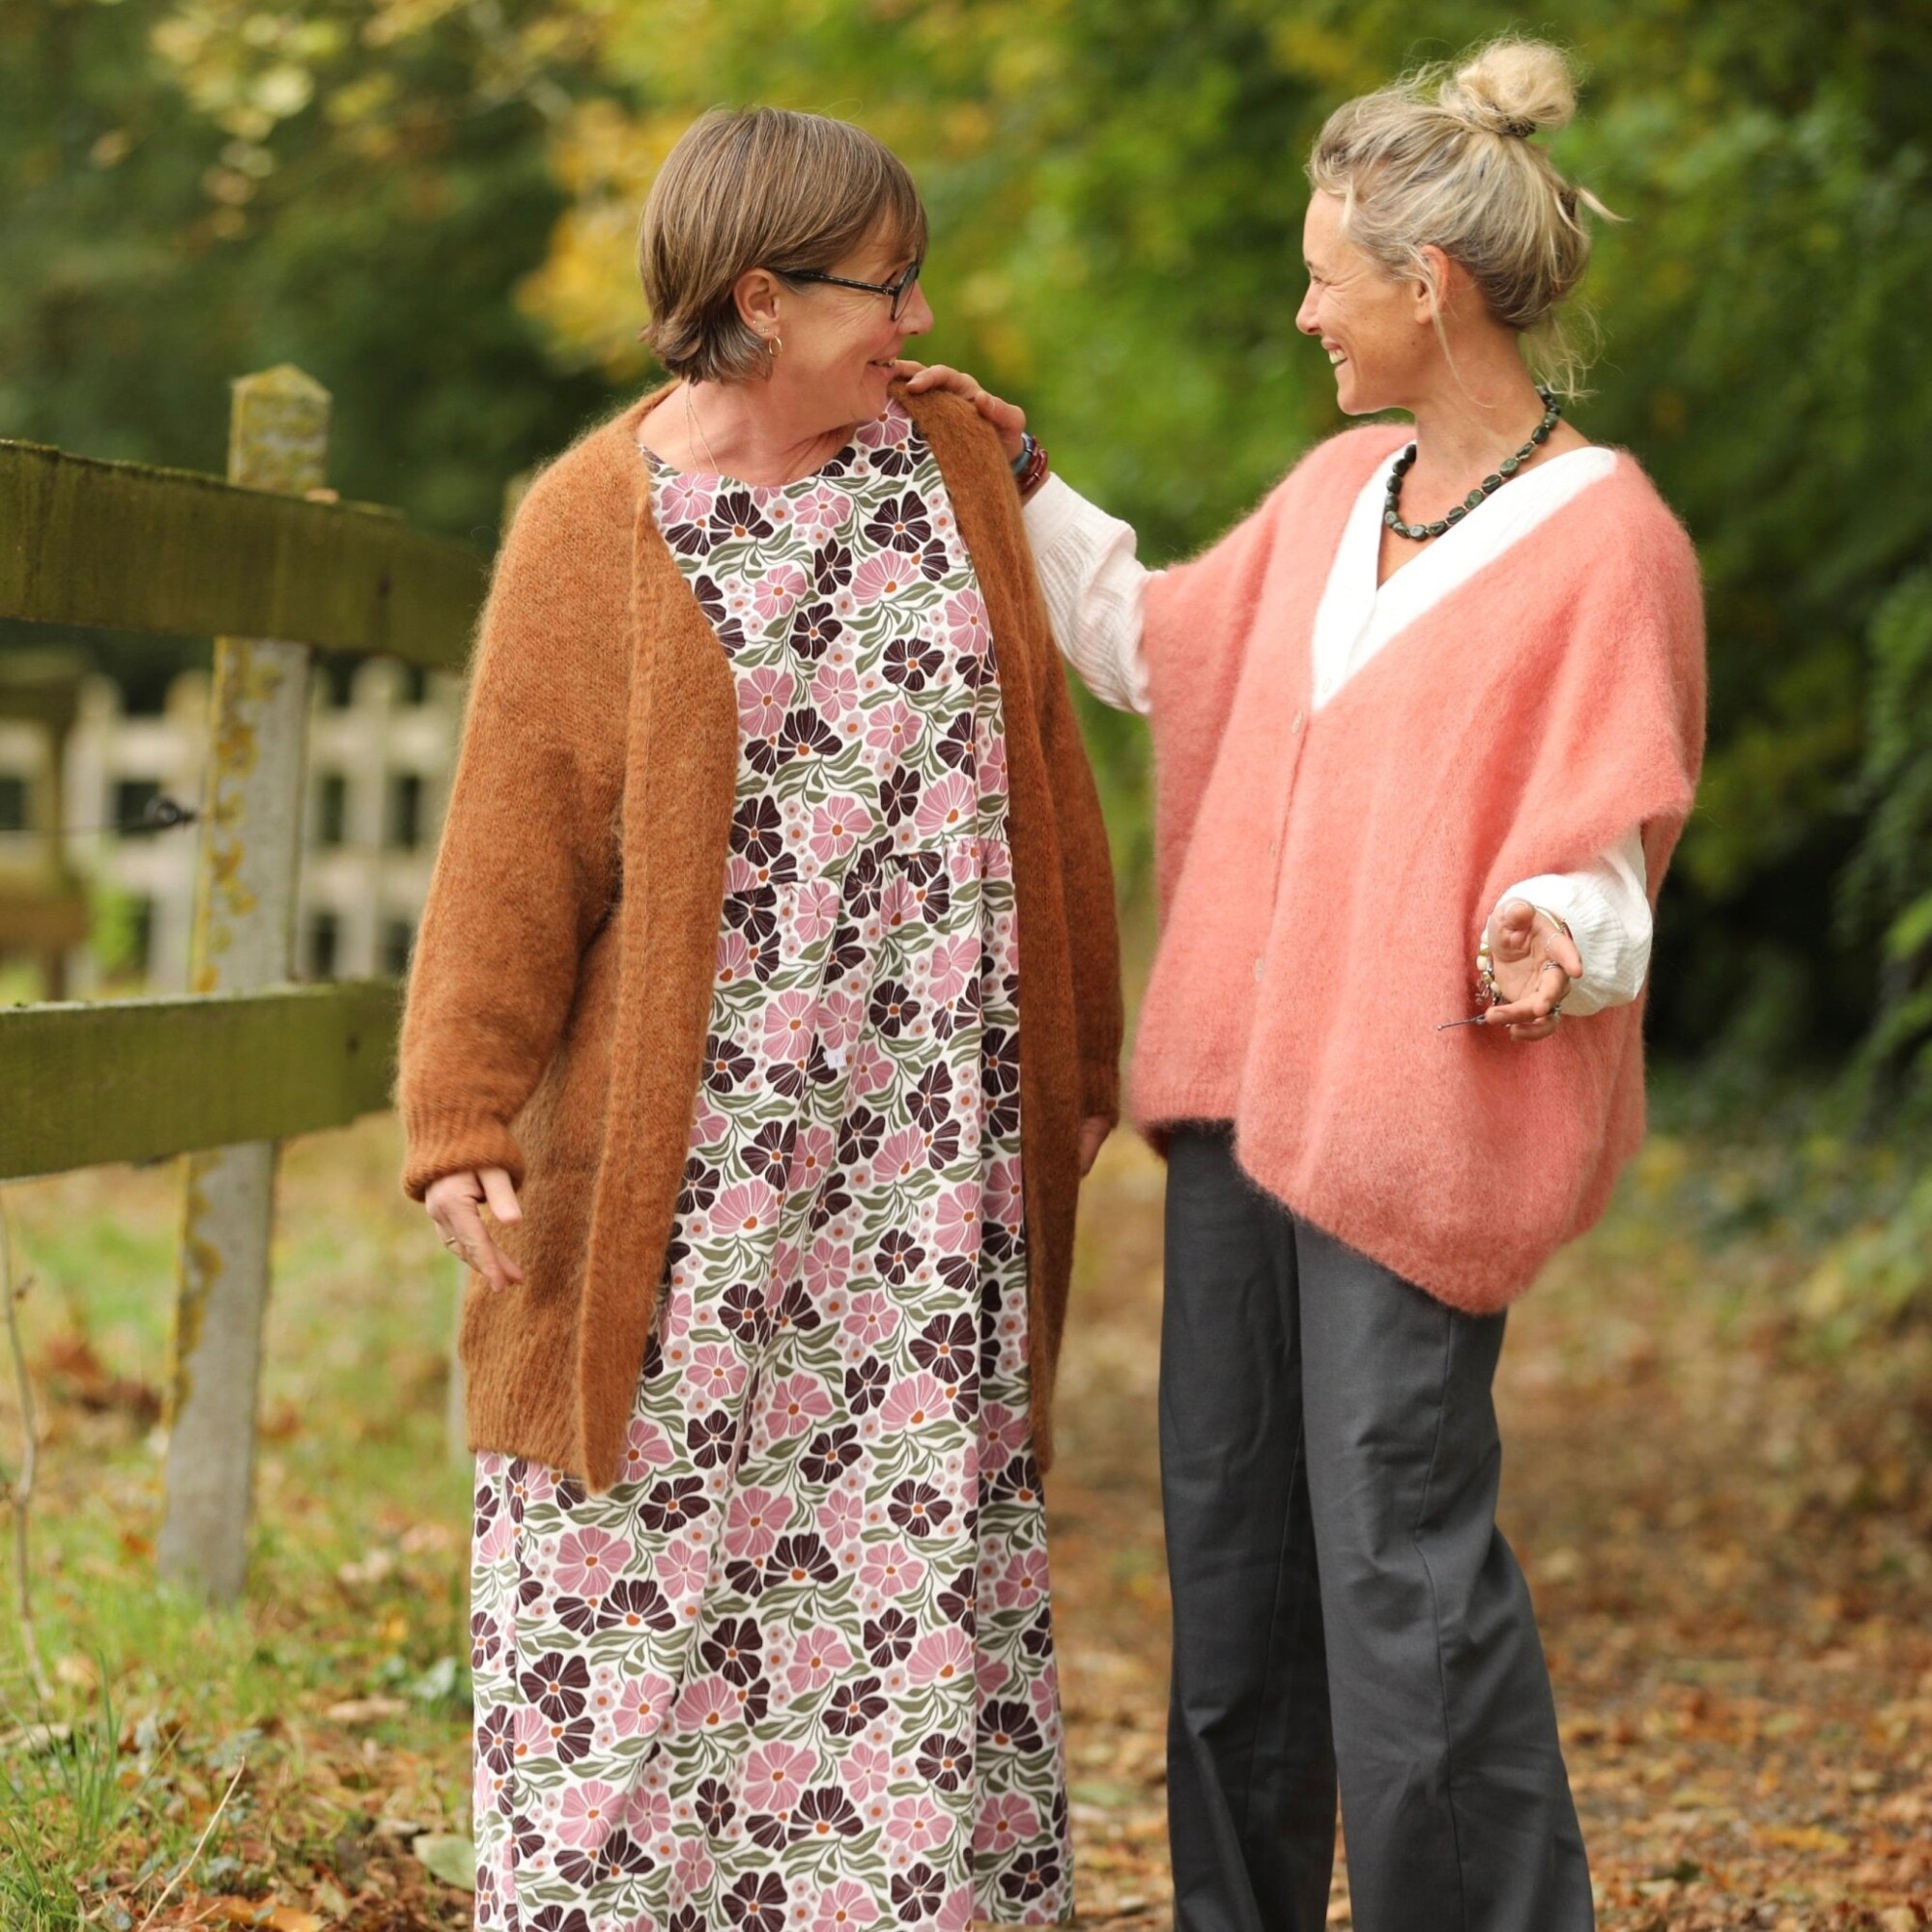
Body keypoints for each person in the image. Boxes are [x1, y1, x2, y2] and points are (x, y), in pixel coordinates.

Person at [905, 37, 1706, 1932]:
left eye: (1325, 277)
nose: (1303, 312)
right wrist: (1019, 475)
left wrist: (1557, 928)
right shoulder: (1342, 490)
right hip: (1235, 1113)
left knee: (1399, 1572)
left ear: (1428, 287)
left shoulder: (1610, 540)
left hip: (1415, 1119)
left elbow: (1612, 833)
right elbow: (1156, 643)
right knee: (1236, 1569)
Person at [397, 105, 1122, 1931]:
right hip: (696, 1179)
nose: (920, 316)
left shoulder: (951, 466)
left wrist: (1087, 1051)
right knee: (635, 1563)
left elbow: (1051, 769)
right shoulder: (592, 524)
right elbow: (510, 845)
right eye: (888, 285)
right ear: (758, 297)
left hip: (923, 1171)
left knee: (902, 1569)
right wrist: (461, 1114)